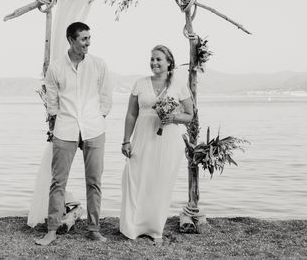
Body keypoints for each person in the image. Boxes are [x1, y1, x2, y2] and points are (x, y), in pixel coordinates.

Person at [35, 22, 112, 246]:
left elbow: (106, 96)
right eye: (84, 39)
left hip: (94, 129)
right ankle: (51, 230)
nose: (88, 43)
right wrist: (55, 121)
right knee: (58, 181)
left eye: (89, 38)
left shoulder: (98, 65)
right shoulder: (56, 67)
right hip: (65, 128)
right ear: (71, 40)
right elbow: (52, 99)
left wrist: (99, 117)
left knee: (94, 181)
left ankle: (94, 229)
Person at [119, 45, 194, 244]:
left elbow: (190, 115)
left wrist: (173, 117)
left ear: (169, 62)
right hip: (142, 138)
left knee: (159, 184)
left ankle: (154, 228)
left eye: (158, 59)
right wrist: (126, 140)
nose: (154, 63)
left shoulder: (179, 86)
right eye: (152, 59)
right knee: (136, 179)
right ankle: (132, 227)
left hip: (168, 141)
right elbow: (131, 114)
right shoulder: (140, 83)